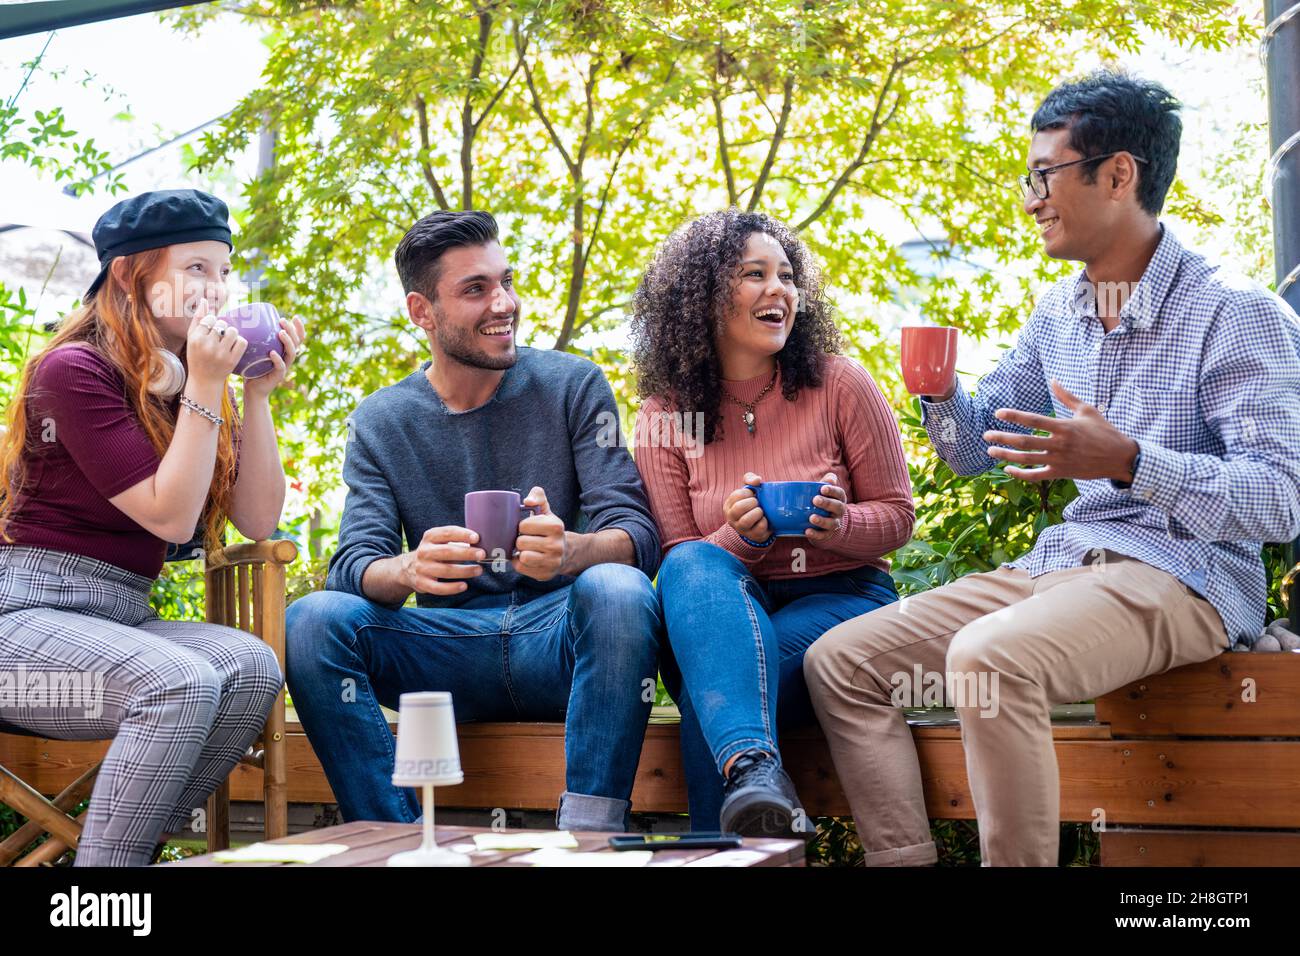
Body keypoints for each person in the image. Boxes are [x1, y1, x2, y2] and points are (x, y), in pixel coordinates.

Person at [803, 69, 1300, 866]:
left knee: (989, 657)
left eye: (1045, 175)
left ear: (1118, 173)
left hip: (1184, 576)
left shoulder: (1237, 313)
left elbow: (1280, 501)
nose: (1031, 197)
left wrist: (1132, 461)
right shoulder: (1057, 312)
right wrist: (937, 394)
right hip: (1060, 567)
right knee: (842, 662)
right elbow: (972, 449)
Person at [285, 210, 663, 832]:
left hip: (559, 642)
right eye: (475, 289)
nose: (504, 304)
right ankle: (394, 840)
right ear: (421, 312)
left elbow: (638, 535)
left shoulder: (574, 385)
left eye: (505, 282)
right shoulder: (383, 420)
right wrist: (409, 568)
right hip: (444, 651)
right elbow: (353, 566)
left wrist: (572, 551)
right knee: (313, 621)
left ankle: (590, 835)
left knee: (619, 589)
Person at [0, 189, 305, 866]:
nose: (217, 290)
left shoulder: (191, 386)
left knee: (250, 669)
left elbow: (258, 518)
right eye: (196, 269)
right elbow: (168, 513)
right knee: (178, 682)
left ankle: (115, 857)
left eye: (223, 272)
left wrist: (252, 392)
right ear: (130, 277)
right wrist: (205, 385)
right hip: (18, 629)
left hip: (115, 620)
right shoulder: (70, 371)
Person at [630, 210, 914, 835]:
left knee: (717, 696)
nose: (779, 290)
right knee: (695, 576)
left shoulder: (841, 383)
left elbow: (897, 518)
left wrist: (835, 525)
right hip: (721, 609)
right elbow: (682, 560)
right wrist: (742, 537)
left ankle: (737, 803)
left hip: (843, 598)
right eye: (754, 274)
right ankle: (756, 774)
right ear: (701, 296)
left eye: (787, 275)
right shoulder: (663, 416)